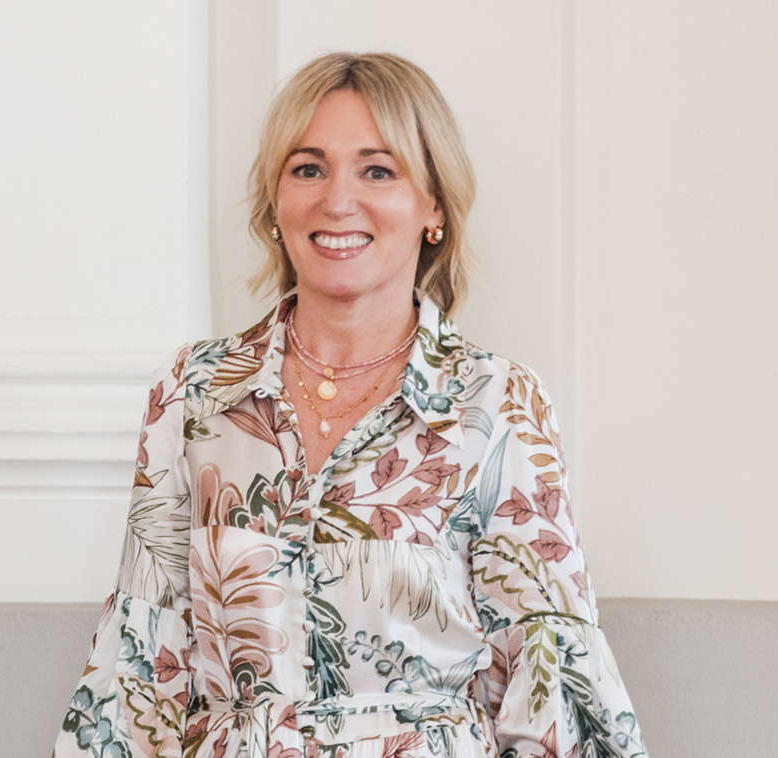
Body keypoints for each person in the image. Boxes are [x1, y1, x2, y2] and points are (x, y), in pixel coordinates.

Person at [53, 52, 647, 758]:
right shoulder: (194, 394)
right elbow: (138, 666)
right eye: (308, 169)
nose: (337, 200)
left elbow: (550, 684)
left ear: (434, 206)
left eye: (378, 171)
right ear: (276, 201)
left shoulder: (497, 404)